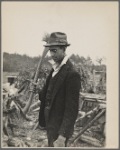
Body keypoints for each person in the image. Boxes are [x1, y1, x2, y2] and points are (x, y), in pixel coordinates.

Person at [38, 32, 81, 147]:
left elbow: (72, 109)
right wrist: (38, 89)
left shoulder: (72, 74)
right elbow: (45, 96)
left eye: (55, 50)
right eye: (51, 51)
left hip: (59, 128)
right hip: (49, 123)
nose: (52, 54)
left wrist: (62, 136)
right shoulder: (55, 69)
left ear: (63, 49)